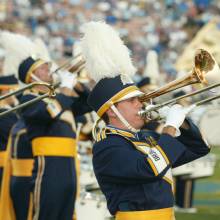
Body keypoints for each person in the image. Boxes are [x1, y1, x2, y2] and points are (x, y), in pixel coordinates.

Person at [80, 21, 210, 220]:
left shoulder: (147, 137)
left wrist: (181, 122)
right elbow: (149, 169)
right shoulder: (107, 146)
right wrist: (169, 128)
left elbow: (198, 148)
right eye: (133, 100)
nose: (140, 104)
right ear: (112, 110)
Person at [18, 56, 91, 220]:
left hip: (69, 164)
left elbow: (88, 103)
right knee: (47, 212)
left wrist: (76, 84)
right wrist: (65, 88)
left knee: (66, 212)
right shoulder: (28, 98)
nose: (49, 70)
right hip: (48, 164)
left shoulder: (58, 97)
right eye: (43, 68)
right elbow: (48, 113)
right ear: (31, 76)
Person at [0, 75, 18, 189]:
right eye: (13, 90)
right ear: (6, 90)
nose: (15, 95)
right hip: (3, 164)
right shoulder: (5, 113)